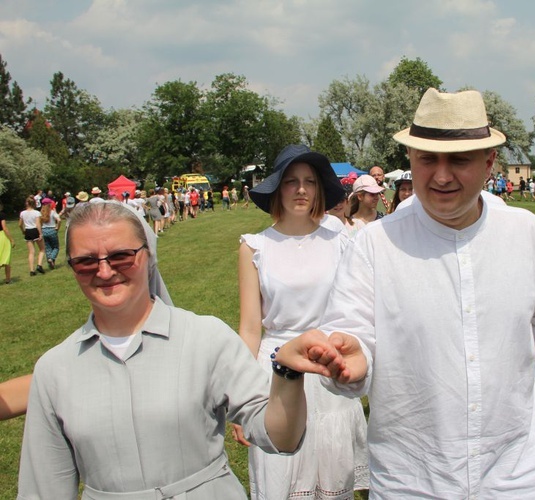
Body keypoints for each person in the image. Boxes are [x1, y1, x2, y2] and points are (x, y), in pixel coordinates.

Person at [303, 88, 535, 498]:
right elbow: (351, 332)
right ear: (410, 159)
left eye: (459, 160)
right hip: (412, 479)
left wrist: (496, 350)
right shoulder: (374, 245)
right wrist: (353, 357)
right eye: (428, 159)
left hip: (517, 476)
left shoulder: (527, 234)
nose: (442, 176)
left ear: (489, 162)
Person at [17, 200, 333, 498]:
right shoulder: (53, 370)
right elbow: (44, 489)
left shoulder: (206, 337)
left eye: (121, 256)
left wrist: (287, 373)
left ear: (148, 255)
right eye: (86, 261)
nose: (104, 271)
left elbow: (280, 437)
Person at [240, 144, 369, 499]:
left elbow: (358, 308)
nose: (300, 190)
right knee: (281, 474)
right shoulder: (255, 246)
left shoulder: (341, 239)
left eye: (309, 182)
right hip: (277, 367)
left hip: (328, 364)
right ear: (277, 188)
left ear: (319, 189)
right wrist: (241, 397)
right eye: (291, 181)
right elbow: (250, 327)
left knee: (332, 475)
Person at [19, 196, 46, 276]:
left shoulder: (22, 213)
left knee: (31, 252)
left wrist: (23, 231)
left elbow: (20, 224)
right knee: (42, 249)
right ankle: (39, 265)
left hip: (28, 230)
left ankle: (31, 270)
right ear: (34, 203)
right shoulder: (36, 213)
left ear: (26, 203)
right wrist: (40, 233)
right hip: (35, 230)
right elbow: (38, 224)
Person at [40, 198, 61, 269]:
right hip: (52, 229)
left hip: (44, 230)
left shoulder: (41, 213)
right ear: (49, 204)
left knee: (47, 247)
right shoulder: (52, 212)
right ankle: (51, 258)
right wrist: (57, 227)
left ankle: (51, 264)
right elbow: (59, 220)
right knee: (56, 247)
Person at [0, 201, 15, 284]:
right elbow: (4, 228)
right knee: (6, 258)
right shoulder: (2, 215)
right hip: (2, 237)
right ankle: (8, 279)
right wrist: (11, 239)